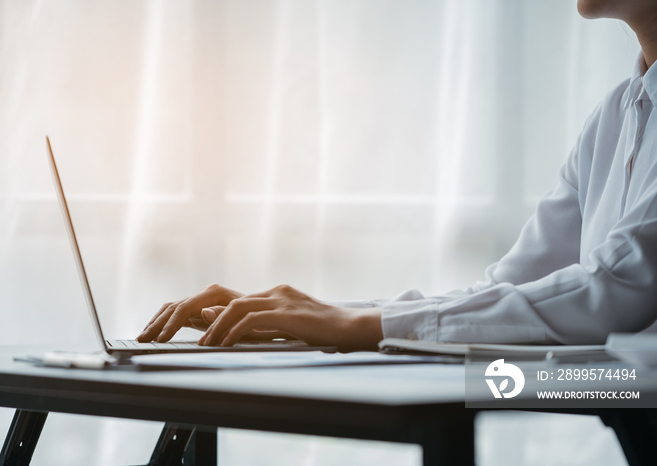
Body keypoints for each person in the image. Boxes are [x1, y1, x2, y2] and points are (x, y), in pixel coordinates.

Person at [137, 0, 657, 350]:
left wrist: (358, 325)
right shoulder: (617, 115)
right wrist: (305, 317)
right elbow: (509, 291)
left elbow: (616, 289)